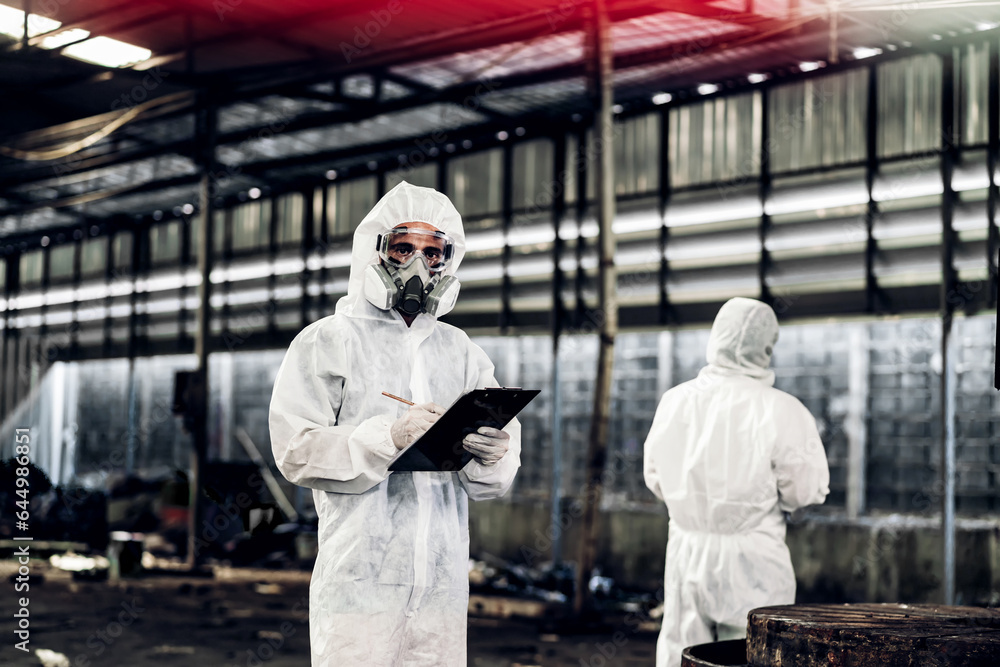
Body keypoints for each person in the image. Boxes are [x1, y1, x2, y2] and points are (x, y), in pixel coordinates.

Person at [269, 181, 521, 666]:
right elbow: (296, 450)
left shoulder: (462, 351)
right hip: (360, 583)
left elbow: (491, 483)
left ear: (449, 262)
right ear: (375, 252)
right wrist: (389, 436)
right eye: (404, 248)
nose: (417, 266)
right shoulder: (329, 341)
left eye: (433, 252)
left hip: (442, 590)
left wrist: (493, 455)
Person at [642, 297, 830, 667]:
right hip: (754, 556)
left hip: (686, 548)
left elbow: (655, 478)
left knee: (682, 649)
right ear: (766, 347)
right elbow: (806, 491)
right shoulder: (782, 409)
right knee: (754, 652)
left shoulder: (674, 401)